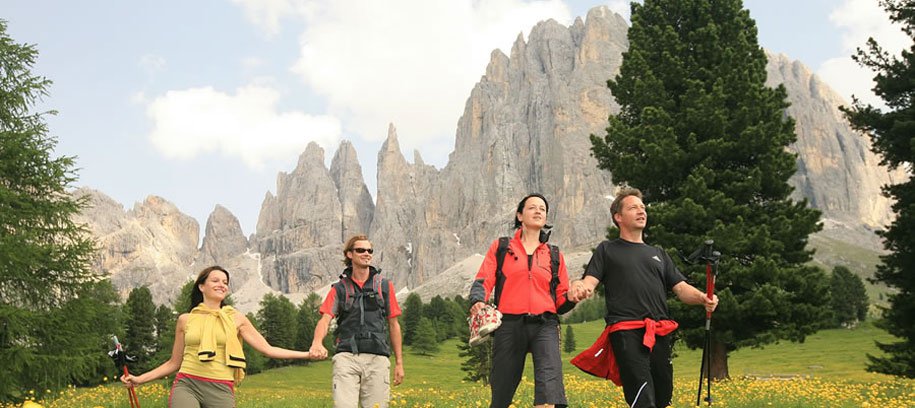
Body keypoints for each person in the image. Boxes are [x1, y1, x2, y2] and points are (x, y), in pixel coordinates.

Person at [569, 187, 719, 408]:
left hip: (659, 332)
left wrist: (703, 298)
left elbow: (681, 288)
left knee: (663, 398)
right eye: (633, 208)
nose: (641, 212)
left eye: (643, 208)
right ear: (618, 217)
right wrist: (578, 286)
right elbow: (588, 281)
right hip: (626, 330)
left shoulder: (658, 253)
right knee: (642, 397)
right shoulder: (607, 250)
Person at [120, 265, 314, 407]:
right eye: (215, 281)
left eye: (225, 282)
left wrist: (307, 354)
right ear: (201, 287)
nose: (222, 285)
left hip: (221, 388)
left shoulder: (236, 318)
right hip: (187, 383)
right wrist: (140, 379)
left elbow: (267, 349)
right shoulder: (185, 320)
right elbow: (174, 363)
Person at [468, 193, 577, 408]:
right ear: (519, 215)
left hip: (545, 325)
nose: (538, 211)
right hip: (508, 324)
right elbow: (483, 279)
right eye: (532, 207)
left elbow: (561, 302)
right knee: (501, 392)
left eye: (542, 209)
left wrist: (572, 297)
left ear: (545, 219)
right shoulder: (501, 247)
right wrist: (477, 300)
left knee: (549, 391)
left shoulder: (555, 255)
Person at [310, 235, 404, 408]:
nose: (366, 253)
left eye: (370, 250)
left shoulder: (384, 286)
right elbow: (325, 320)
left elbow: (394, 324)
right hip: (346, 357)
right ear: (349, 255)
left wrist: (399, 363)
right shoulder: (338, 289)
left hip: (378, 358)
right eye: (361, 250)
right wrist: (317, 343)